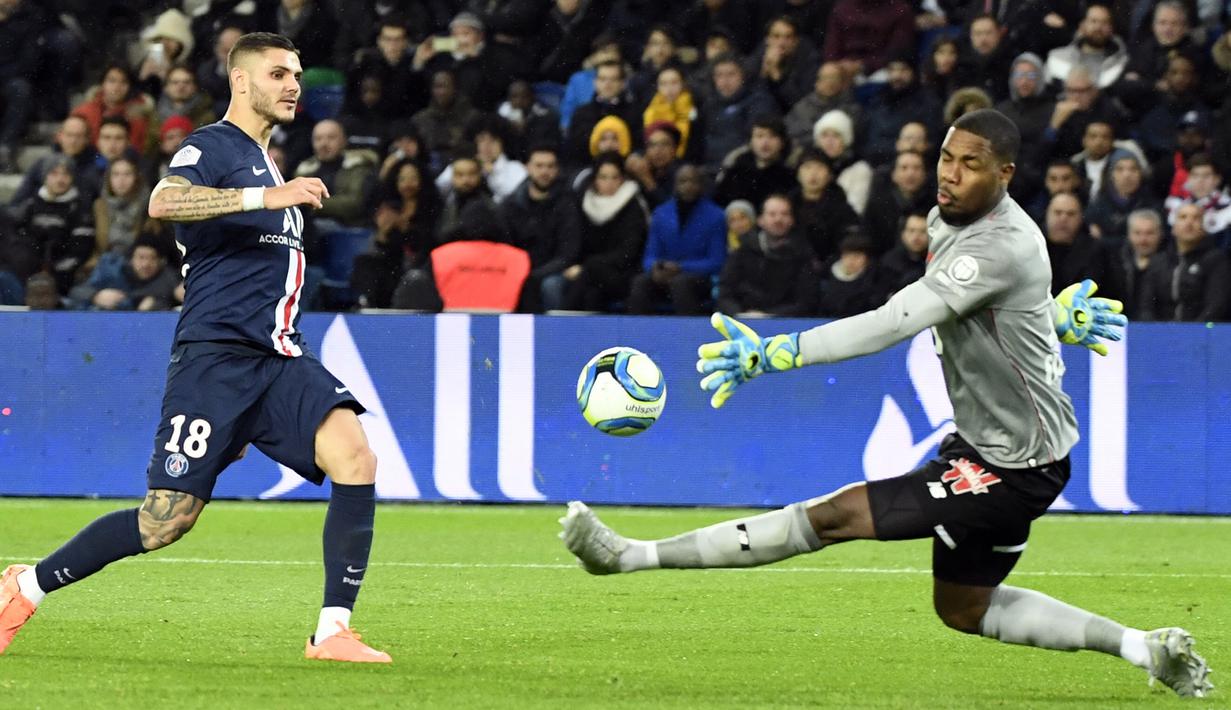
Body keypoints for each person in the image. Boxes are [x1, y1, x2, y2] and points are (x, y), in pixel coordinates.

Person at [560, 108, 1212, 699]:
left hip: (1013, 466)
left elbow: (894, 320)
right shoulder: (951, 219)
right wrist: (1052, 319)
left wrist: (777, 353)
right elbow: (1001, 313)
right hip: (997, 449)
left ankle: (626, 557)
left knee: (835, 516)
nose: (949, 175)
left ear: (1005, 174)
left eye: (969, 164)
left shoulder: (997, 243)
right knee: (963, 608)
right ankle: (1144, 648)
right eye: (946, 158)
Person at [0, 32, 391, 664]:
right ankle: (23, 587)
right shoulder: (213, 147)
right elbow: (163, 201)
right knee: (165, 520)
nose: (293, 84)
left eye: (295, 74)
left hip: (278, 356)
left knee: (356, 457)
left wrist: (274, 190)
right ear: (241, 81)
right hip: (215, 359)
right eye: (277, 73)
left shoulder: (271, 163)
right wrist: (268, 197)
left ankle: (332, 630)